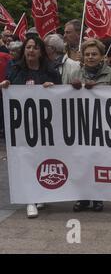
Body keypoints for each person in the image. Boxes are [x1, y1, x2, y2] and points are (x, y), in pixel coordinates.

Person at [0, 36, 61, 218]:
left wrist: (53, 88)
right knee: (26, 159)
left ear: (41, 51)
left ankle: (40, 192)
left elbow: (59, 95)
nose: (31, 51)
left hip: (45, 125)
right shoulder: (15, 69)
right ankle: (30, 199)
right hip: (22, 126)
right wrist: (6, 85)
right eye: (28, 47)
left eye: (35, 47)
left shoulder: (51, 71)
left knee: (42, 158)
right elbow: (9, 91)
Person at [68, 39, 111, 213]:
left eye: (94, 54)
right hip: (81, 127)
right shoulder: (75, 74)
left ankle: (98, 197)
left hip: (103, 126)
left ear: (102, 56)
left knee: (99, 161)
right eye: (87, 54)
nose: (90, 57)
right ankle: (83, 197)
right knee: (82, 162)